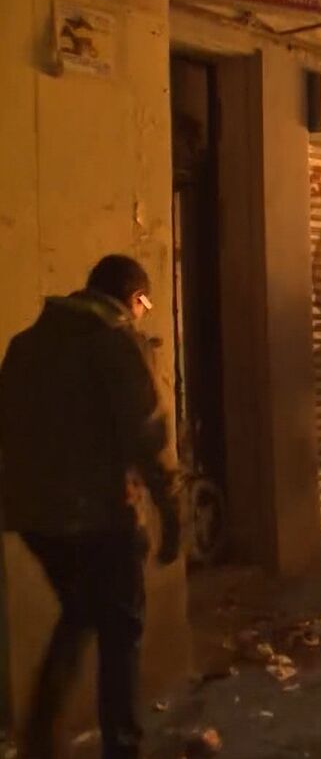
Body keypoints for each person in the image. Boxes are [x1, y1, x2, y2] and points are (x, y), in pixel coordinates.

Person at [0, 255, 182, 759]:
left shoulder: (25, 345)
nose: (142, 315)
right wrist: (172, 515)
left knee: (80, 612)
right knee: (121, 628)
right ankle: (122, 747)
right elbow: (149, 436)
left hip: (36, 518)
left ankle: (40, 738)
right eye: (145, 305)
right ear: (133, 298)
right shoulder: (116, 342)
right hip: (100, 517)